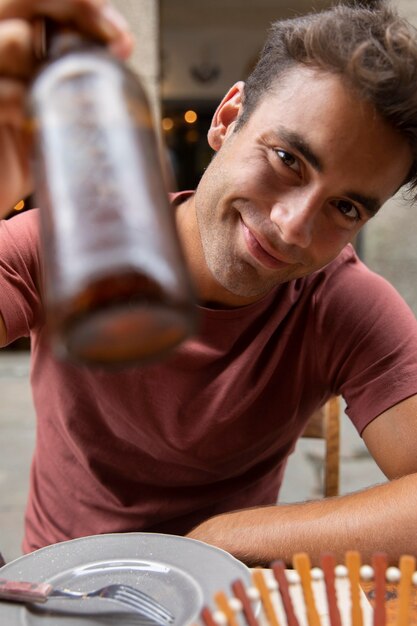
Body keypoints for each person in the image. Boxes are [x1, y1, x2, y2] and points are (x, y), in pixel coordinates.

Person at [1, 0, 417, 567]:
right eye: (288, 159)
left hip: (222, 595)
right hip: (54, 588)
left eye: (344, 206)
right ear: (227, 119)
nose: (292, 228)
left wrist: (221, 538)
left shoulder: (345, 305)